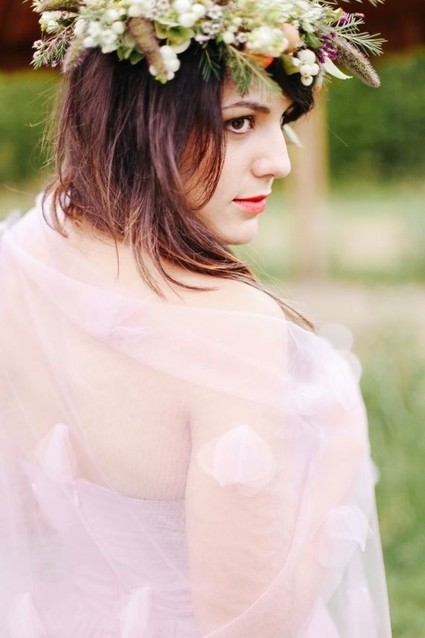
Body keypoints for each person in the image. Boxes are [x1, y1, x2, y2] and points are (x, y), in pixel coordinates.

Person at [0, 1, 392, 636]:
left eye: (281, 121)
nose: (278, 161)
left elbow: (30, 511)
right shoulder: (232, 329)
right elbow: (251, 628)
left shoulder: (27, 254)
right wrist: (339, 449)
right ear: (141, 117)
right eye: (239, 122)